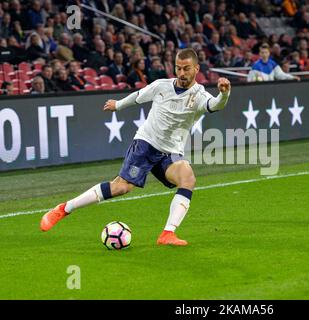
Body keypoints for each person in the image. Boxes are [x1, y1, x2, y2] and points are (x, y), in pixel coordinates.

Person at [40, 48, 231, 246]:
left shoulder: (199, 95)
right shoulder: (161, 86)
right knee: (121, 187)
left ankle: (167, 234)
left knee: (188, 178)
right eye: (178, 68)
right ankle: (64, 209)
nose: (182, 73)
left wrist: (224, 94)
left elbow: (216, 104)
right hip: (146, 144)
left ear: (196, 69)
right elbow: (139, 95)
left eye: (186, 69)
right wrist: (118, 105)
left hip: (171, 153)